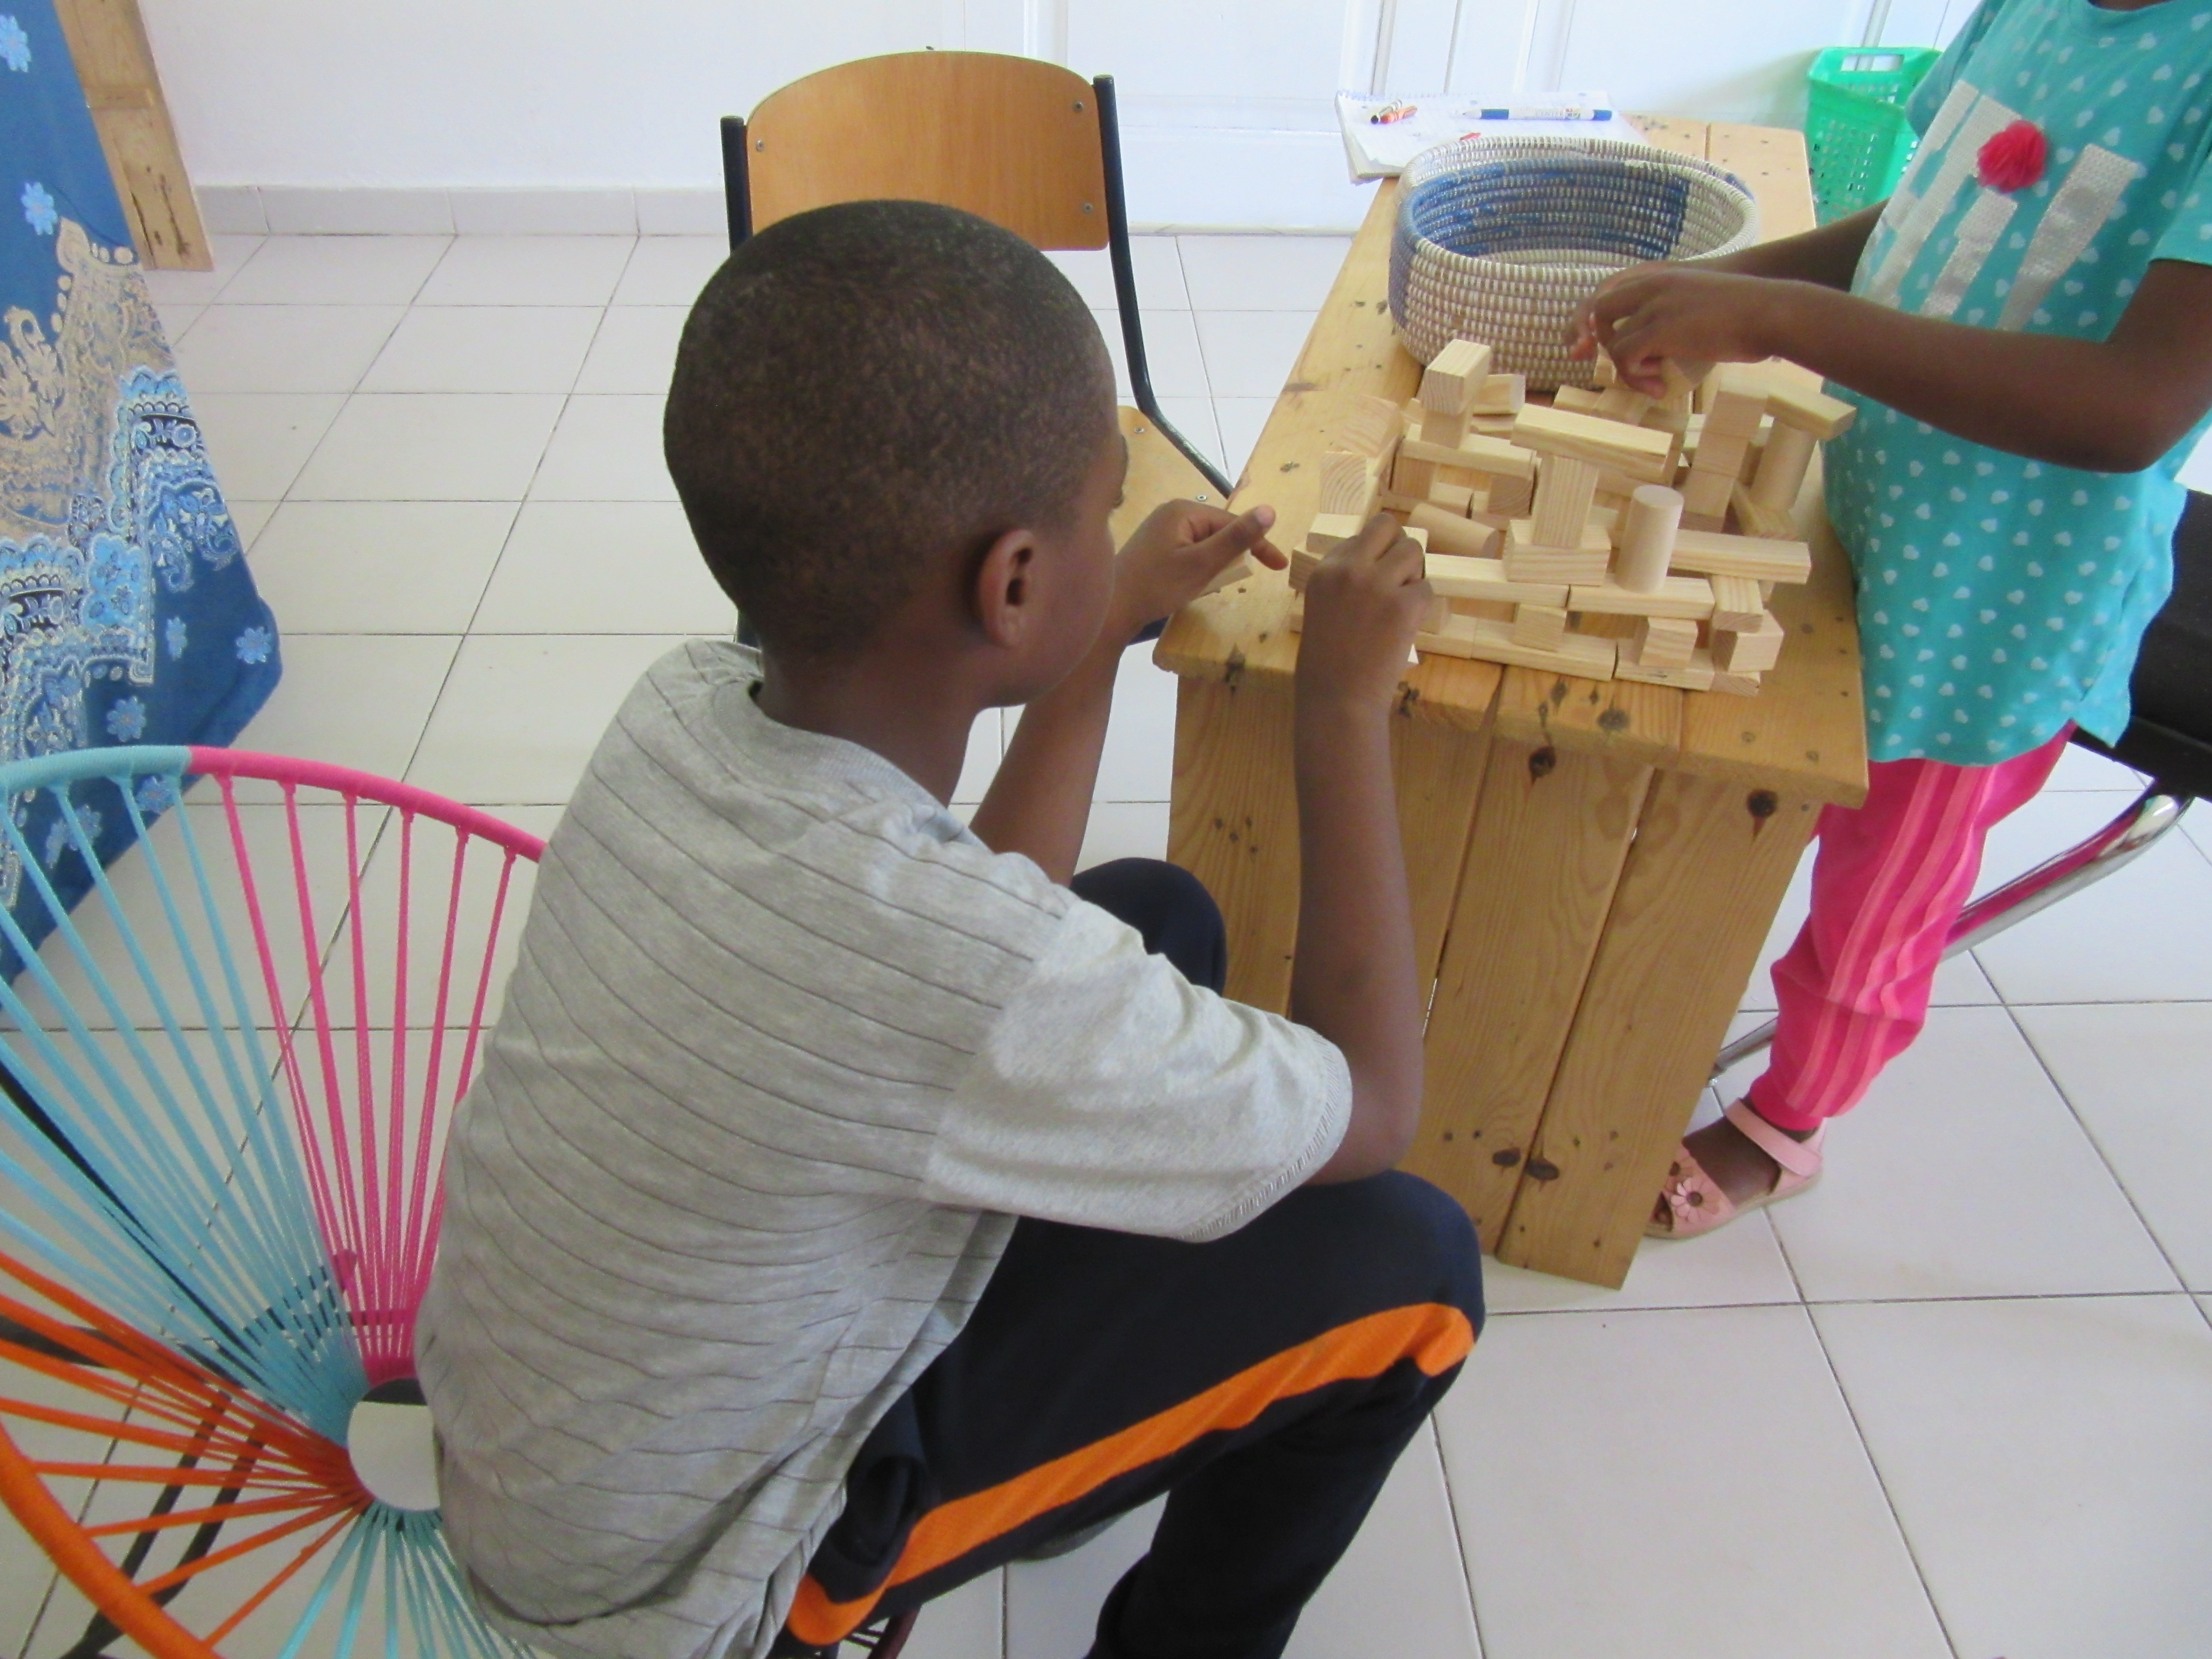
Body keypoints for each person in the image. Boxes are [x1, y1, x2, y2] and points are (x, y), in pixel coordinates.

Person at [415, 198, 1481, 1659]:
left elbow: (964, 934)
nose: (1115, 531)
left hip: (562, 1450)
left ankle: (1071, 1448)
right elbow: (1374, 1109)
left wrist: (1105, 623)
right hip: (704, 1571)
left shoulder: (677, 707)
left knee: (1157, 910)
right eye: (1101, 508)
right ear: (1014, 582)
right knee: (1413, 1265)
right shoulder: (955, 964)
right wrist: (1343, 705)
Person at [1574, 0, 2212, 1237]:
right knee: (1765, 779)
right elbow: (1926, 214)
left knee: (1880, 895)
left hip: (1997, 608)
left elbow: (2132, 408)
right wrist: (1727, 286)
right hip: (1873, 510)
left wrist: (1774, 320)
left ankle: (1790, 1119)